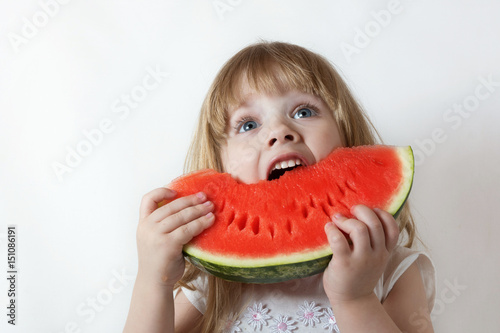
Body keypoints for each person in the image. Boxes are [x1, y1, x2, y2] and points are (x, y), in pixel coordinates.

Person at [124, 41, 436, 333]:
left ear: (346, 135)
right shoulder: (217, 281)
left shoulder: (393, 271)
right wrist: (154, 281)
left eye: (304, 111)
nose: (279, 132)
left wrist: (355, 298)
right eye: (248, 125)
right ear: (221, 163)